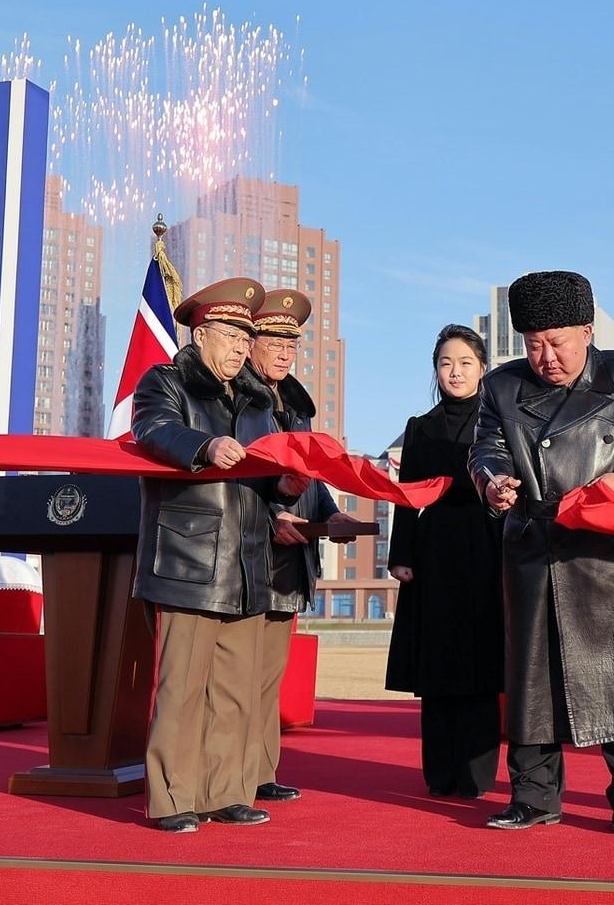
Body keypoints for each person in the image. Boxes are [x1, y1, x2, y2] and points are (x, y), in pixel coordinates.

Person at [469, 271, 614, 835]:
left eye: (558, 342)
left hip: (613, 555)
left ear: (587, 332)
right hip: (535, 550)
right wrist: (493, 481)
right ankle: (533, 796)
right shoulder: (501, 388)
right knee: (531, 681)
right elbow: (486, 447)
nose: (546, 356)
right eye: (533, 343)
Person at [132, 276, 305, 834]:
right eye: (232, 334)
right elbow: (152, 431)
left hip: (248, 561)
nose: (239, 346)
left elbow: (264, 474)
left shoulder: (256, 402)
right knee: (182, 687)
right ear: (202, 333)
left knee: (233, 687)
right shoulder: (166, 382)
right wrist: (203, 447)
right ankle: (172, 796)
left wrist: (287, 488)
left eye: (244, 336)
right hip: (191, 560)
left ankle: (226, 790)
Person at [242, 288, 355, 805]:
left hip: (291, 559)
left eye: (293, 342)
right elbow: (234, 481)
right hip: (247, 555)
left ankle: (260, 772)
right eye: (275, 340)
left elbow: (308, 477)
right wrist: (270, 516)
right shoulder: (239, 403)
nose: (286, 352)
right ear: (249, 343)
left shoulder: (295, 408)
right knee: (236, 677)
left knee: (266, 680)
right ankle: (233, 776)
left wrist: (331, 515)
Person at [385, 324, 504, 799]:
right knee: (437, 668)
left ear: (483, 369)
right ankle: (439, 773)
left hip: (487, 548)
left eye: (465, 363)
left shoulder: (499, 422)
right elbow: (405, 495)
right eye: (446, 364)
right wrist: (402, 554)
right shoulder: (421, 426)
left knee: (481, 665)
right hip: (434, 553)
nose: (454, 372)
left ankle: (475, 776)